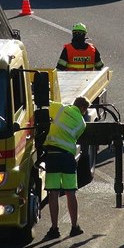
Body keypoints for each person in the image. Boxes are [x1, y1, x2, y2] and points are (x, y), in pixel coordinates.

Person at [43, 96, 90, 240]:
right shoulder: (82, 123)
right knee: (71, 193)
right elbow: (74, 137)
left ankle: (54, 229)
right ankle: (74, 227)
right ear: (83, 108)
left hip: (52, 155)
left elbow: (45, 105)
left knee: (53, 193)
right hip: (67, 158)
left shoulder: (60, 108)